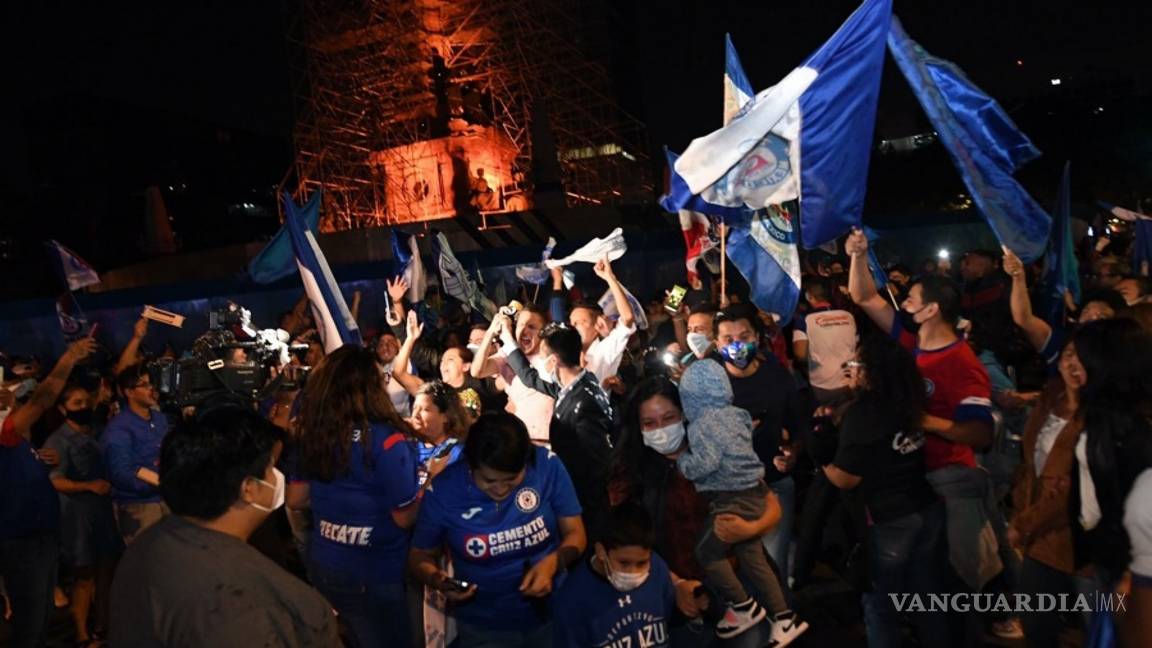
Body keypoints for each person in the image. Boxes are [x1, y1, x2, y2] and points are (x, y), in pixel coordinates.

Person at [108, 400, 340, 647]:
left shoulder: (149, 543)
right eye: (271, 468)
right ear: (248, 489)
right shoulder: (243, 604)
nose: (276, 478)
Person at [409, 412, 587, 647]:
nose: (501, 489)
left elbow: (576, 533)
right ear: (470, 466)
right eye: (489, 481)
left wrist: (554, 563)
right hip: (484, 626)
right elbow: (419, 554)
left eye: (512, 479)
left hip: (551, 614)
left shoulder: (547, 466)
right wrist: (438, 580)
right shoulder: (445, 491)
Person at [292, 344, 429, 648]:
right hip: (376, 573)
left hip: (326, 565)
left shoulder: (314, 434)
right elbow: (404, 517)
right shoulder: (388, 441)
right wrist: (427, 491)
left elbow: (296, 499)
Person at [818, 332, 946, 647]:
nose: (851, 370)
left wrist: (820, 453)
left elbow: (846, 478)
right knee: (926, 599)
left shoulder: (865, 412)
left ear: (873, 371)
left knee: (881, 607)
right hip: (925, 508)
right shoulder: (909, 400)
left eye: (857, 364)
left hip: (889, 519)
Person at [674, 359, 805, 643]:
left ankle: (743, 605)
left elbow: (706, 463)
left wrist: (682, 460)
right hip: (755, 491)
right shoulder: (738, 415)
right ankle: (784, 618)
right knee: (754, 561)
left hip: (731, 498)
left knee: (707, 552)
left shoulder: (701, 425)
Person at [0, 337, 95, 648]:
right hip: (22, 541)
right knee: (30, 626)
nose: (7, 392)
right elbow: (42, 399)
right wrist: (68, 358)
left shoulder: (15, 438)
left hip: (37, 537)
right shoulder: (4, 432)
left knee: (37, 621)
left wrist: (37, 459)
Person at [713, 304, 804, 583]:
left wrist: (793, 453)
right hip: (727, 494)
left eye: (744, 336)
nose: (737, 344)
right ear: (717, 344)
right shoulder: (709, 386)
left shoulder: (778, 378)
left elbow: (799, 428)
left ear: (757, 338)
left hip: (775, 486)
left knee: (772, 571)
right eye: (728, 339)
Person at [498, 317, 614, 527]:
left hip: (585, 506)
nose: (540, 362)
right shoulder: (569, 386)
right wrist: (507, 337)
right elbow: (530, 377)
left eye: (542, 357)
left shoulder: (585, 402)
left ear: (553, 361)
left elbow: (597, 464)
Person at [552, 502, 703, 648]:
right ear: (601, 552)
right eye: (624, 563)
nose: (634, 573)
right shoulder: (572, 599)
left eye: (642, 563)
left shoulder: (657, 568)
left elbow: (668, 618)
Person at [43, 383, 123, 646]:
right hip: (78, 515)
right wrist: (87, 486)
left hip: (100, 512)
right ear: (62, 408)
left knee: (105, 571)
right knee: (84, 576)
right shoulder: (58, 440)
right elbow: (55, 480)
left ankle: (102, 625)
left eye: (84, 402)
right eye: (76, 403)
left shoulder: (93, 432)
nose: (83, 407)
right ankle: (81, 633)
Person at [102, 363, 170, 544]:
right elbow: (120, 473)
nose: (151, 389)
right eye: (144, 385)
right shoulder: (119, 428)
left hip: (166, 500)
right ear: (129, 392)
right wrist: (156, 484)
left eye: (151, 384)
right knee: (148, 562)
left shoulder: (160, 419)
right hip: (139, 506)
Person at [471, 303, 555, 443]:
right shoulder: (506, 356)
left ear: (544, 332)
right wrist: (491, 331)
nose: (525, 331)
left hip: (549, 440)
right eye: (521, 325)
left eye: (532, 327)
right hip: (522, 440)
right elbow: (477, 371)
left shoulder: (551, 357)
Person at [555, 256, 638, 385]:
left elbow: (627, 318)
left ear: (598, 325)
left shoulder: (604, 351)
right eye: (571, 323)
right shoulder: (565, 355)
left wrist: (610, 278)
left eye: (579, 323)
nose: (573, 327)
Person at [792, 277, 857, 405]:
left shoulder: (804, 320)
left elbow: (800, 354)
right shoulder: (849, 316)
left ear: (809, 296)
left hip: (823, 385)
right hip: (850, 381)